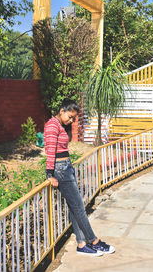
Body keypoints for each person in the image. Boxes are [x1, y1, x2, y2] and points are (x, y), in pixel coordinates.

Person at [44, 98, 115, 256]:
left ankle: (82, 244)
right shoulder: (52, 125)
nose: (71, 121)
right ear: (61, 110)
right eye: (69, 116)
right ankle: (94, 241)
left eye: (73, 118)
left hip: (66, 168)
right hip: (60, 170)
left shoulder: (60, 125)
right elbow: (50, 151)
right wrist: (50, 174)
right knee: (79, 208)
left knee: (74, 207)